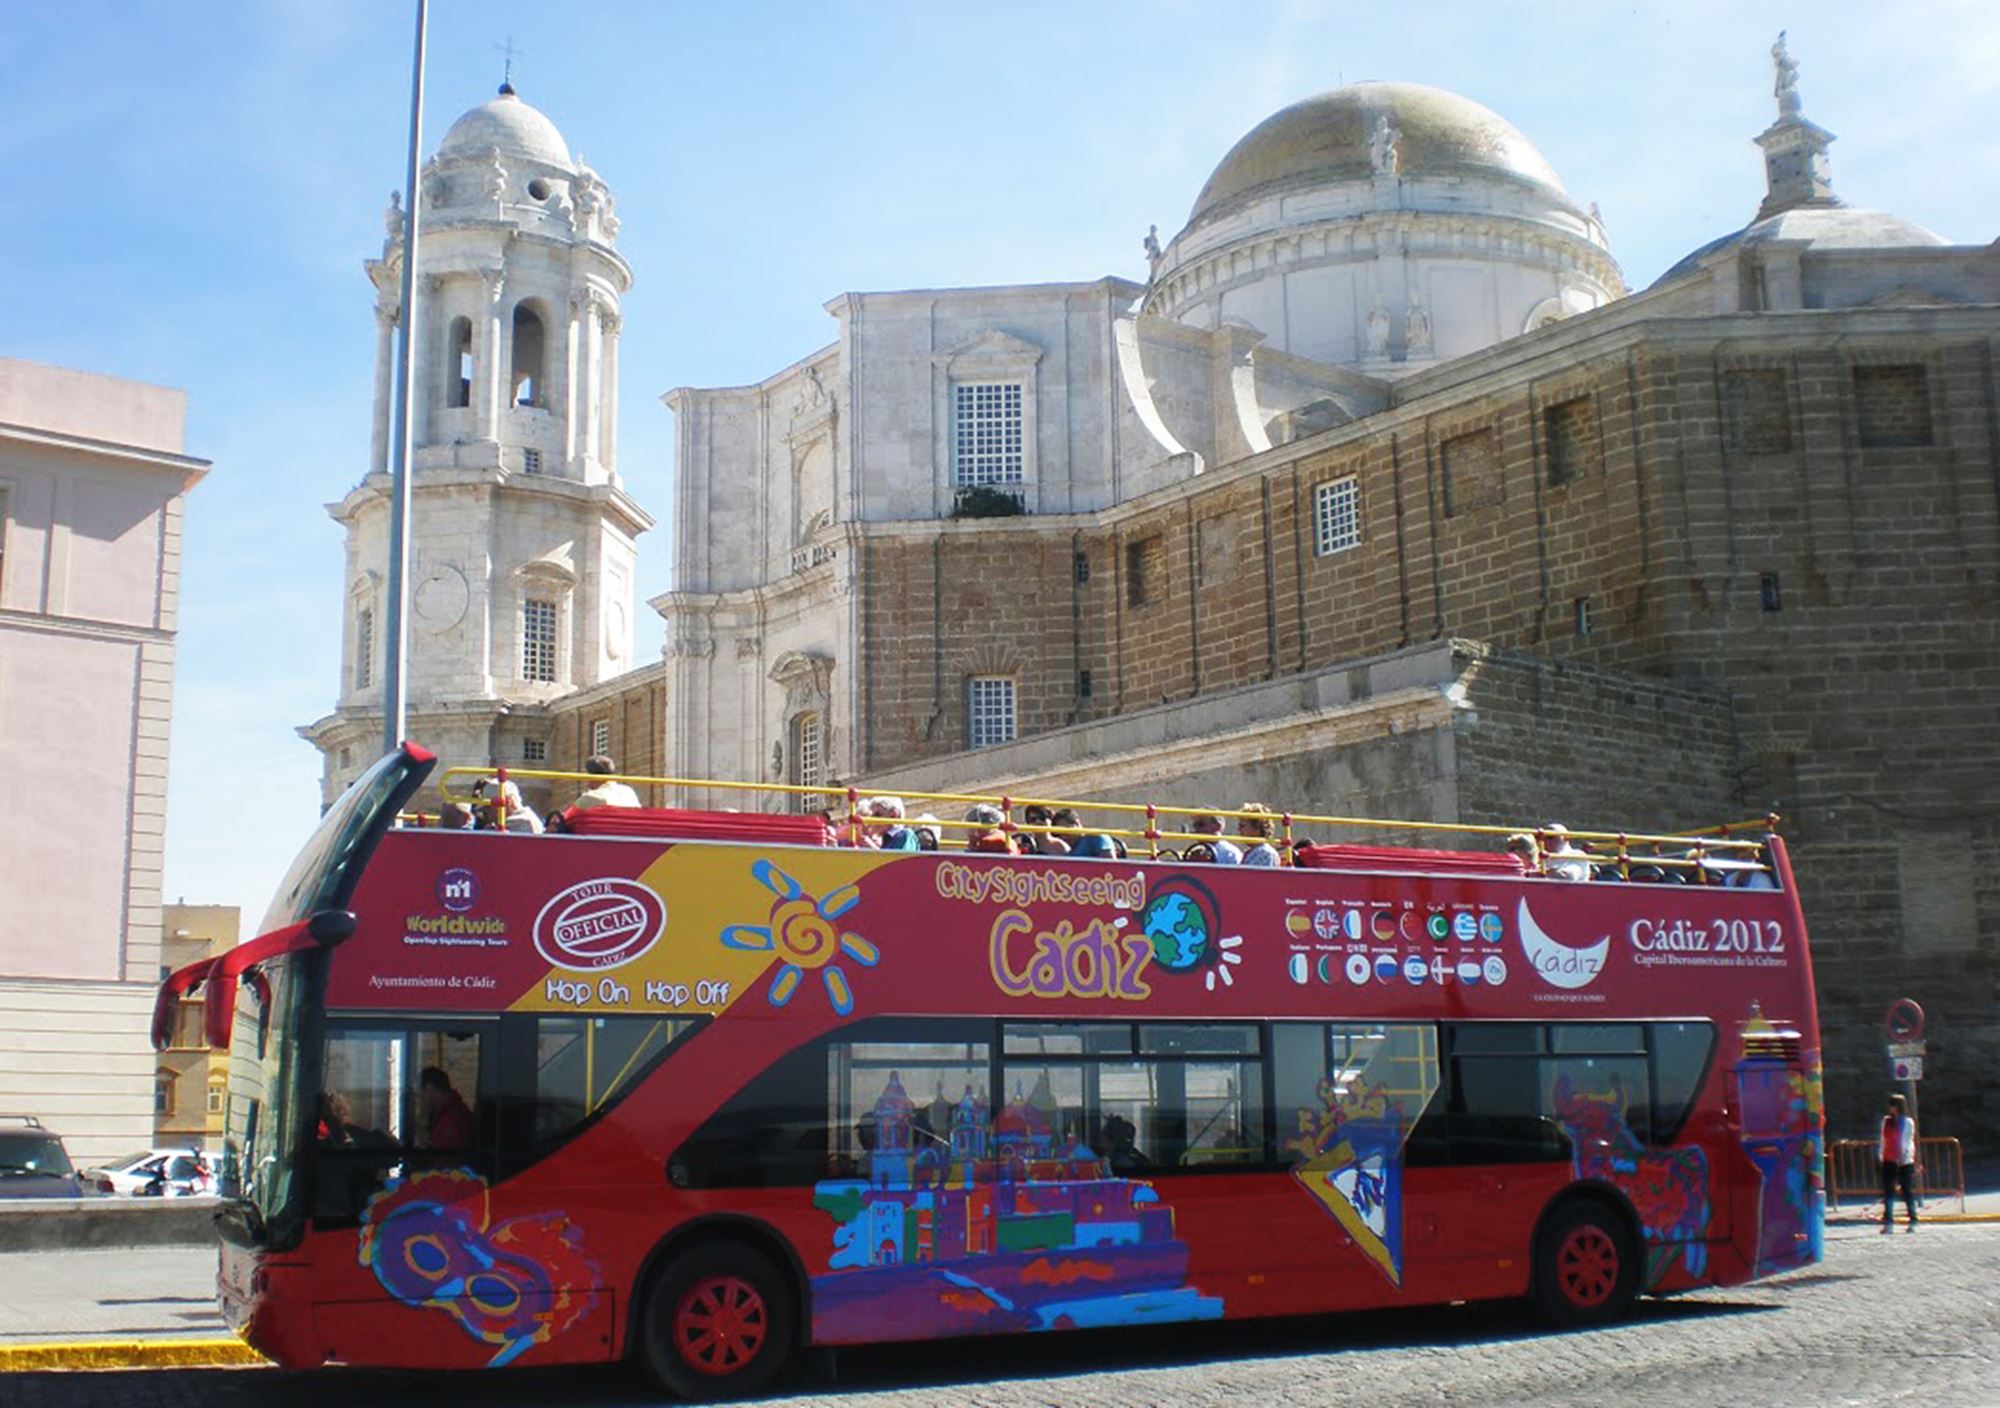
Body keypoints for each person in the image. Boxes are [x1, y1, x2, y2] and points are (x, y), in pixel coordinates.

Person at [1880, 1093, 1918, 1233]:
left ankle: (1913, 1220)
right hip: (1888, 1159)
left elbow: (1908, 1141)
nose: (1890, 1108)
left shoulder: (1907, 1122)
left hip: (1904, 1161)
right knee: (1888, 1192)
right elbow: (1883, 1139)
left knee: (1907, 1191)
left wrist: (1905, 1156)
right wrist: (1881, 1154)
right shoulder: (1886, 1122)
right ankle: (1888, 1222)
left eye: (1893, 1105)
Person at [418, 1066, 475, 1152]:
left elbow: (439, 1162)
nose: (420, 1098)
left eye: (421, 1092)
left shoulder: (451, 1122)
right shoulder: (449, 1113)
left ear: (430, 1088)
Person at [570, 755, 641, 811]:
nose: (588, 784)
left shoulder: (591, 797)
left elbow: (569, 815)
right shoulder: (628, 792)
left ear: (594, 778)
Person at [474, 777, 543, 834]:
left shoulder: (523, 822)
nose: (487, 813)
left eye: (489, 807)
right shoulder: (526, 818)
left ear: (507, 801)